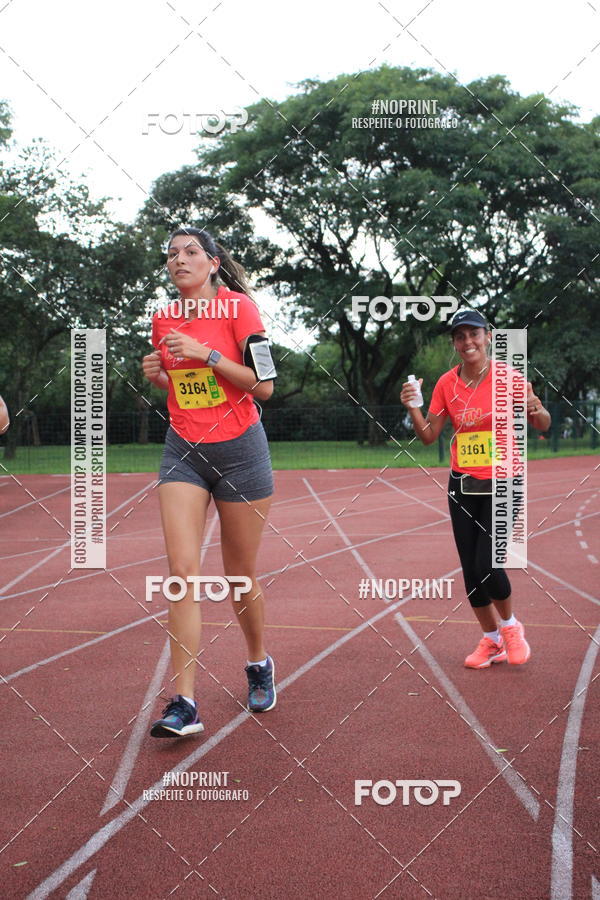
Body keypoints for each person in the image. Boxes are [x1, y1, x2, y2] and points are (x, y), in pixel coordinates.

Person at [142, 227, 276, 737]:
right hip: (184, 451)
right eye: (171, 253)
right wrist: (161, 376)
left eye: (191, 251)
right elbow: (186, 389)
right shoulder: (163, 319)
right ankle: (185, 704)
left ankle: (258, 661)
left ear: (213, 263)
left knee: (239, 576)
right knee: (181, 573)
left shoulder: (240, 309)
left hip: (241, 453)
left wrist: (208, 354)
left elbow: (264, 385)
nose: (179, 259)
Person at [400, 309, 551, 669]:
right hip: (463, 483)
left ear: (487, 337)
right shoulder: (446, 384)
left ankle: (511, 627)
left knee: (487, 563)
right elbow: (428, 436)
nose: (468, 342)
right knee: (470, 570)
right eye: (460, 336)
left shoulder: (508, 378)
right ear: (455, 343)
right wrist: (413, 408)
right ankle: (491, 639)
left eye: (474, 334)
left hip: (504, 480)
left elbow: (543, 424)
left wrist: (536, 407)